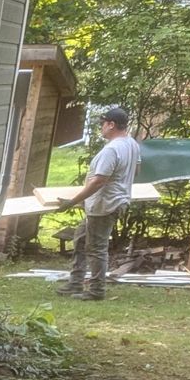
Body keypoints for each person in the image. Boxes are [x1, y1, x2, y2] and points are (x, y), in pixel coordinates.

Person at [56, 106, 140, 300]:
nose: (101, 127)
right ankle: (75, 282)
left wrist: (73, 201)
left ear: (111, 125)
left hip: (104, 205)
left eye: (103, 124)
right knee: (81, 239)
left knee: (96, 248)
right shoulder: (132, 144)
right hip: (111, 202)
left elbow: (99, 181)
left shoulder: (112, 149)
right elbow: (136, 170)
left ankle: (96, 290)